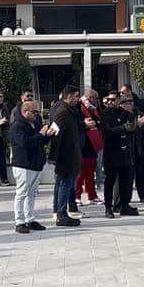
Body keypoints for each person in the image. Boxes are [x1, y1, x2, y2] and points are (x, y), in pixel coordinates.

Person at [7, 100, 50, 234]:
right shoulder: (17, 126)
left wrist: (47, 135)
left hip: (35, 163)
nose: (37, 115)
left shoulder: (35, 123)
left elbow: (40, 141)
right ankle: (19, 221)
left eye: (37, 112)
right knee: (21, 193)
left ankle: (30, 218)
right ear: (25, 112)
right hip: (23, 164)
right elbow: (25, 142)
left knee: (32, 193)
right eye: (34, 112)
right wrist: (41, 135)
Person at [100, 93, 140, 218]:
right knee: (110, 181)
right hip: (112, 151)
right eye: (109, 99)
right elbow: (107, 131)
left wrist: (131, 128)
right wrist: (123, 128)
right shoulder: (105, 114)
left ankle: (124, 205)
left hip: (125, 150)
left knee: (126, 180)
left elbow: (132, 128)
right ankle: (108, 207)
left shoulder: (126, 113)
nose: (111, 102)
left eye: (114, 99)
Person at [50, 86, 84, 228]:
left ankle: (59, 212)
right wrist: (54, 157)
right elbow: (57, 135)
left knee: (62, 183)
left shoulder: (69, 111)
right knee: (64, 184)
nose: (78, 99)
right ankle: (61, 214)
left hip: (69, 153)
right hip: (65, 155)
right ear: (68, 96)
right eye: (76, 96)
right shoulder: (63, 112)